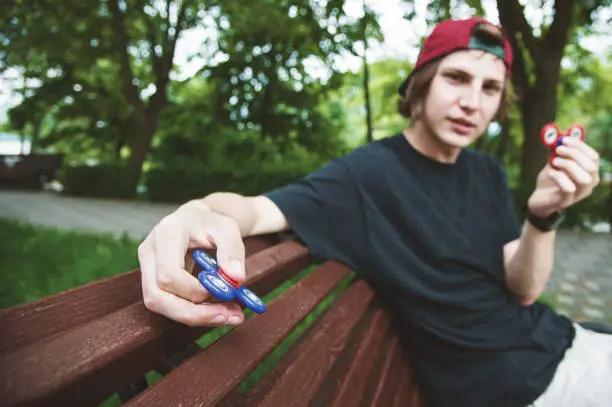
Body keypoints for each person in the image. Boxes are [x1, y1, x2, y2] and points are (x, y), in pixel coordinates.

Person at [137, 16, 610, 407]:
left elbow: (524, 289)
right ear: (421, 84)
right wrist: (199, 212)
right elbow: (255, 211)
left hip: (563, 341)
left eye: (490, 88)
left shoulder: (484, 171)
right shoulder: (367, 175)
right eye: (457, 78)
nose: (473, 102)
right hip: (519, 386)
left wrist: (543, 215)